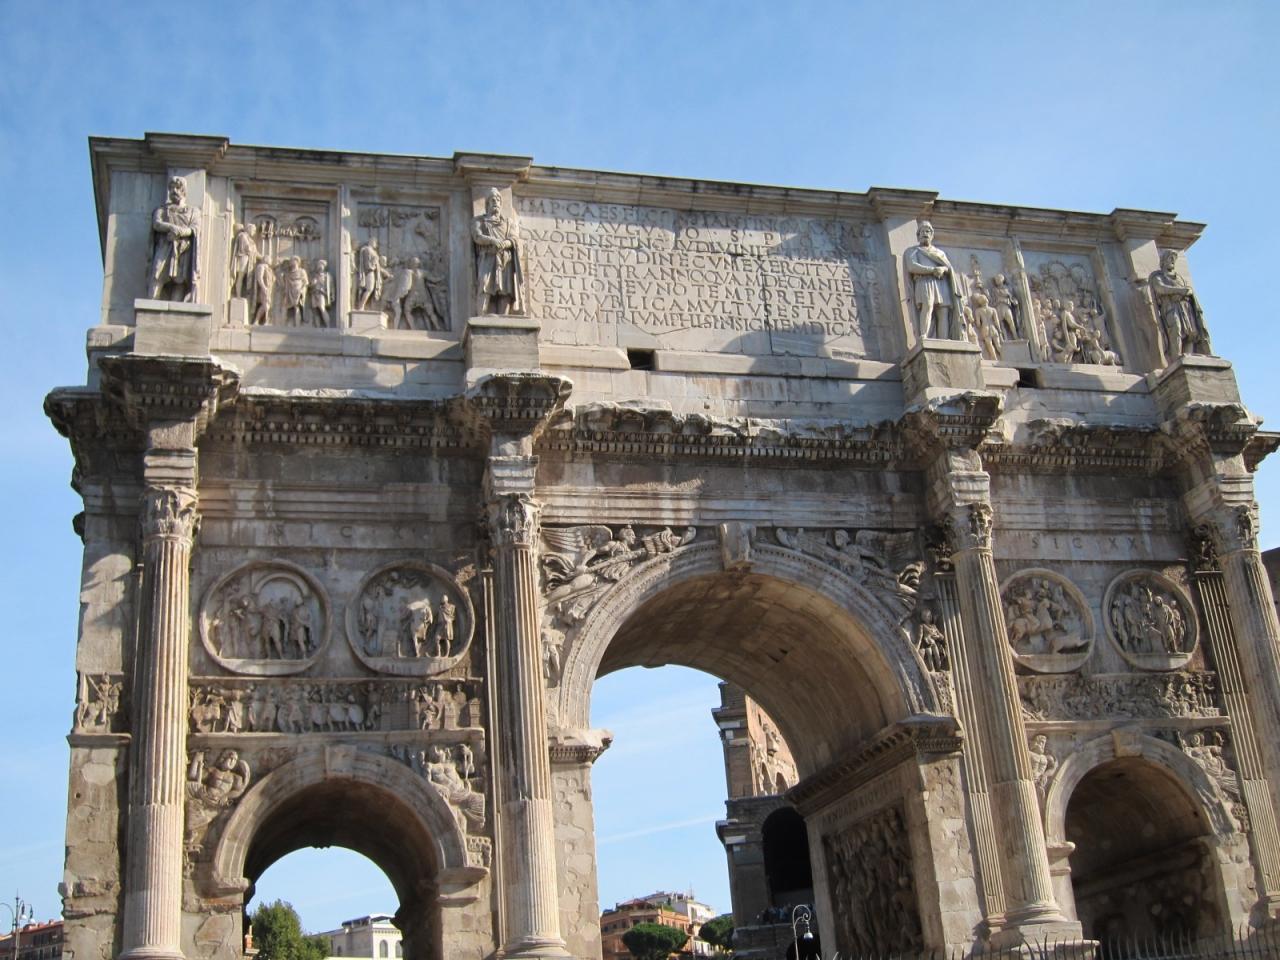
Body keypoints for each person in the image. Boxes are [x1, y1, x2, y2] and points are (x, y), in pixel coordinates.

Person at [1149, 249, 1212, 363]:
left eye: (1174, 259)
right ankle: (1176, 357)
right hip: (1171, 308)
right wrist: (1180, 290)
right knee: (1176, 329)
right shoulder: (1158, 277)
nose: (1173, 261)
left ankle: (1189, 356)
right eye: (1170, 258)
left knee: (1191, 332)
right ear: (1163, 261)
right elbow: (1161, 288)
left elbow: (1188, 289)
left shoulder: (1179, 277)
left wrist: (1188, 291)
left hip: (1185, 307)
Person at [903, 221, 963, 339]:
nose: (925, 233)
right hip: (924, 281)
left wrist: (943, 269)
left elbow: (949, 267)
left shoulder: (940, 253)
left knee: (943, 310)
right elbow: (912, 267)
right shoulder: (912, 251)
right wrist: (932, 270)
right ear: (918, 235)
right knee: (927, 306)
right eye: (922, 231)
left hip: (941, 283)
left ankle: (943, 340)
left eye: (927, 231)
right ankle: (924, 336)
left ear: (932, 235)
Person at [472, 187, 524, 315]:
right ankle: (482, 315)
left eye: (498, 200)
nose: (496, 202)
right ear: (487, 204)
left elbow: (514, 238)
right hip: (487, 257)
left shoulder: (508, 222)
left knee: (505, 290)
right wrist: (493, 241)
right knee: (485, 286)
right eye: (492, 200)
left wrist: (506, 243)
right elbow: (477, 236)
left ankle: (503, 317)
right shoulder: (479, 221)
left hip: (505, 259)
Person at [148, 176, 201, 301]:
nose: (174, 191)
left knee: (180, 280)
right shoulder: (162, 210)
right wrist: (172, 227)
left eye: (177, 188)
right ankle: (152, 301)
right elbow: (156, 223)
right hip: (165, 246)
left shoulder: (193, 211)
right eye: (171, 188)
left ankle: (175, 306)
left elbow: (195, 228)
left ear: (184, 191)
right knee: (157, 274)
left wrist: (181, 232)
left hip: (183, 249)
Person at [229, 223, 258, 298]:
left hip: (247, 259)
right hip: (243, 258)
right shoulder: (242, 236)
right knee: (240, 277)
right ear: (249, 229)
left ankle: (239, 294)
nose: (254, 232)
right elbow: (248, 248)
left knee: (243, 277)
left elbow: (254, 251)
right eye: (254, 230)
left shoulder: (249, 238)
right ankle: (238, 295)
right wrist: (252, 250)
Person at [309, 258, 333, 327]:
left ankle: (328, 325)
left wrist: (331, 295)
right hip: (314, 293)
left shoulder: (327, 276)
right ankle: (318, 327)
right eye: (318, 265)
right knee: (315, 310)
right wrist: (312, 283)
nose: (319, 266)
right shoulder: (314, 275)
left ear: (324, 266)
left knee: (322, 308)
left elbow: (330, 286)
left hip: (321, 293)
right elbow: (310, 285)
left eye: (321, 265)